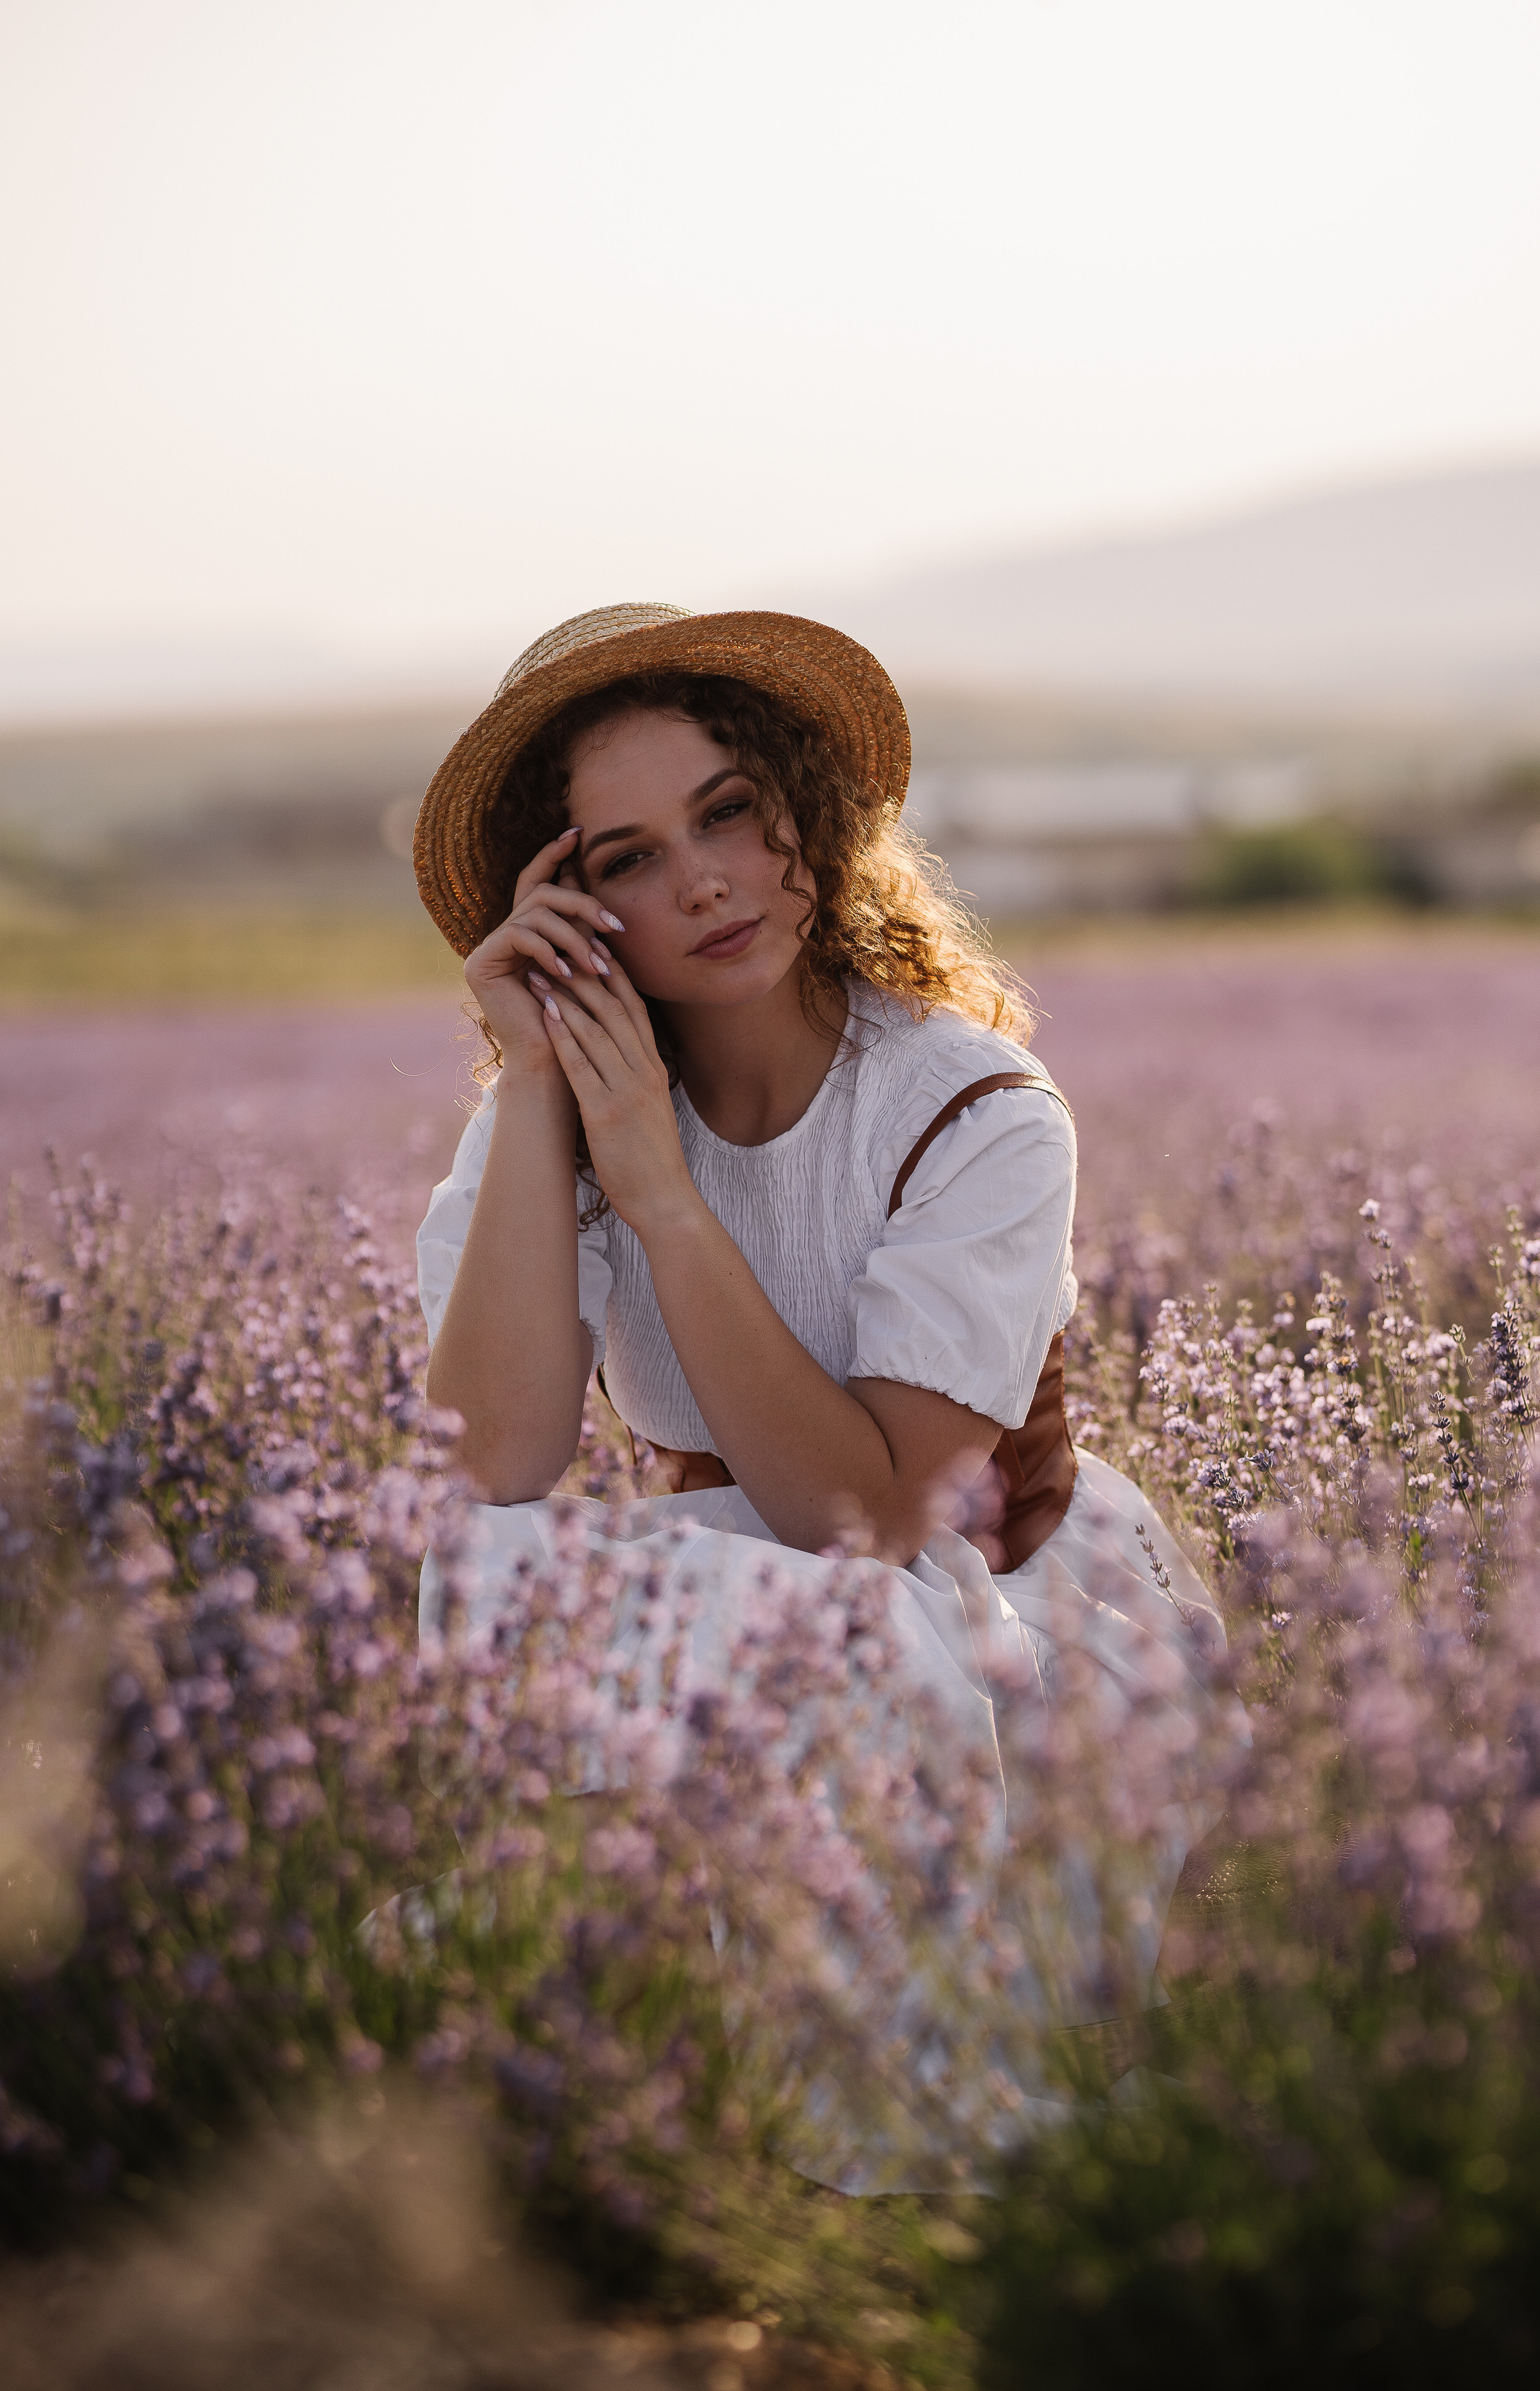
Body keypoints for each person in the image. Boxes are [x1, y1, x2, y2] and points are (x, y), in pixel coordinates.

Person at [410, 604, 1237, 2175]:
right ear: (565, 910)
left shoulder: (972, 1109)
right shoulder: (552, 1109)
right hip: (734, 1595)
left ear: (808, 808)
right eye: (627, 857)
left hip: (977, 1611)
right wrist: (541, 1093)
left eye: (728, 810)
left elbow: (863, 1519)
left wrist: (661, 1190)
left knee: (835, 1627)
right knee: (493, 1566)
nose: (704, 878)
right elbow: (489, 1467)